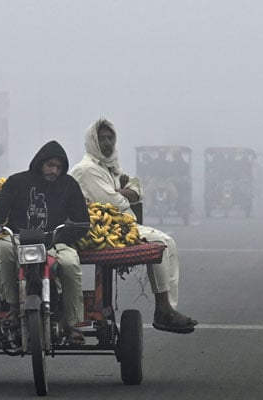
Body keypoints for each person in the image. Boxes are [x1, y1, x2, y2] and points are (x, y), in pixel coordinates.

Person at [70, 118, 198, 334]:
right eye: (102, 138)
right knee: (161, 243)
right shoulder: (86, 169)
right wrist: (124, 194)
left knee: (170, 243)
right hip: (99, 229)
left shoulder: (110, 167)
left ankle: (167, 308)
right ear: (92, 141)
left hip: (121, 224)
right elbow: (115, 203)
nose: (108, 143)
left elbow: (137, 188)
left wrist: (124, 193)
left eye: (110, 138)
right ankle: (163, 309)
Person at [0, 140, 91, 344]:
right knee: (3, 248)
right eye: (50, 165)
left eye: (59, 167)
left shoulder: (69, 185)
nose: (54, 171)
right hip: (18, 239)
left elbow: (82, 222)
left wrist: (62, 235)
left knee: (70, 264)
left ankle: (72, 324)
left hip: (54, 242)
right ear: (40, 162)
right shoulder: (17, 182)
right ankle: (13, 308)